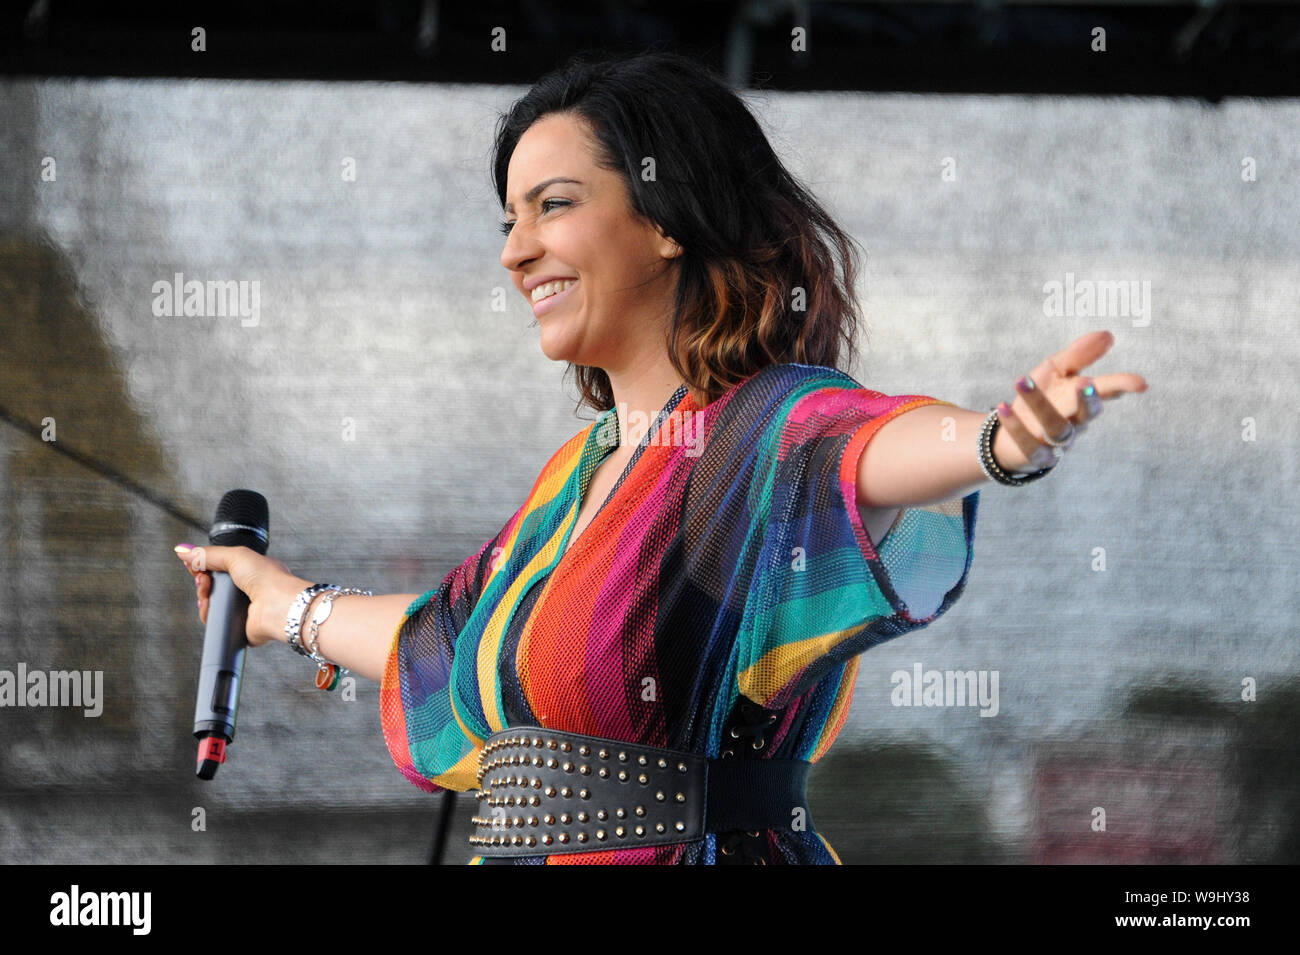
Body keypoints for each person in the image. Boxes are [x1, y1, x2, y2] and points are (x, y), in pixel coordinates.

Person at [173, 49, 1148, 864]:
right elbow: (445, 637)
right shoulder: (580, 472)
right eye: (508, 219)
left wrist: (1001, 437)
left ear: (666, 216)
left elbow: (867, 450)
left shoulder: (762, 431)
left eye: (551, 205)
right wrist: (285, 606)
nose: (515, 252)